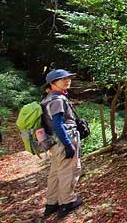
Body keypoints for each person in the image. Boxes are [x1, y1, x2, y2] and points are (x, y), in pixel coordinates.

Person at [41, 69, 83, 218]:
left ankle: (51, 204)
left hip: (54, 142)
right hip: (63, 141)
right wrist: (68, 145)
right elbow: (58, 125)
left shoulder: (49, 98)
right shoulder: (57, 100)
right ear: (52, 83)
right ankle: (67, 203)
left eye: (68, 78)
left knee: (55, 172)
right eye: (62, 79)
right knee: (68, 171)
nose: (67, 80)